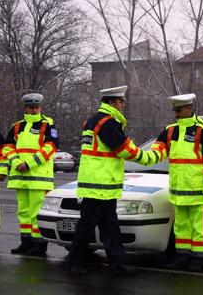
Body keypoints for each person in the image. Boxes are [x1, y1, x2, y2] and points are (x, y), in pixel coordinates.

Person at [66, 86, 149, 276]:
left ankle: (117, 262)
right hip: (100, 184)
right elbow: (124, 149)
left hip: (100, 183)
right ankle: (74, 262)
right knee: (87, 227)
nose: (123, 105)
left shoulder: (93, 121)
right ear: (111, 102)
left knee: (110, 226)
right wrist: (149, 158)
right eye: (121, 102)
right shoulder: (107, 122)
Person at [145, 93, 203, 271]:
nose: (176, 114)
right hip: (179, 191)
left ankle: (200, 259)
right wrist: (141, 157)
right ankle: (182, 257)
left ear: (189, 109)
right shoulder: (171, 130)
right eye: (175, 111)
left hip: (199, 191)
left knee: (200, 227)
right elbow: (158, 150)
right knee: (181, 227)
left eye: (179, 110)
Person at [2, 93, 59, 255]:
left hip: (38, 177)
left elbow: (50, 148)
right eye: (31, 107)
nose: (34, 110)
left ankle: (39, 245)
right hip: (20, 176)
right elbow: (7, 147)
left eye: (37, 107)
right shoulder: (17, 126)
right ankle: (26, 242)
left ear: (41, 107)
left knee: (36, 212)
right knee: (24, 212)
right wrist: (15, 162)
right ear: (25, 108)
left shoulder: (48, 125)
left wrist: (28, 164)